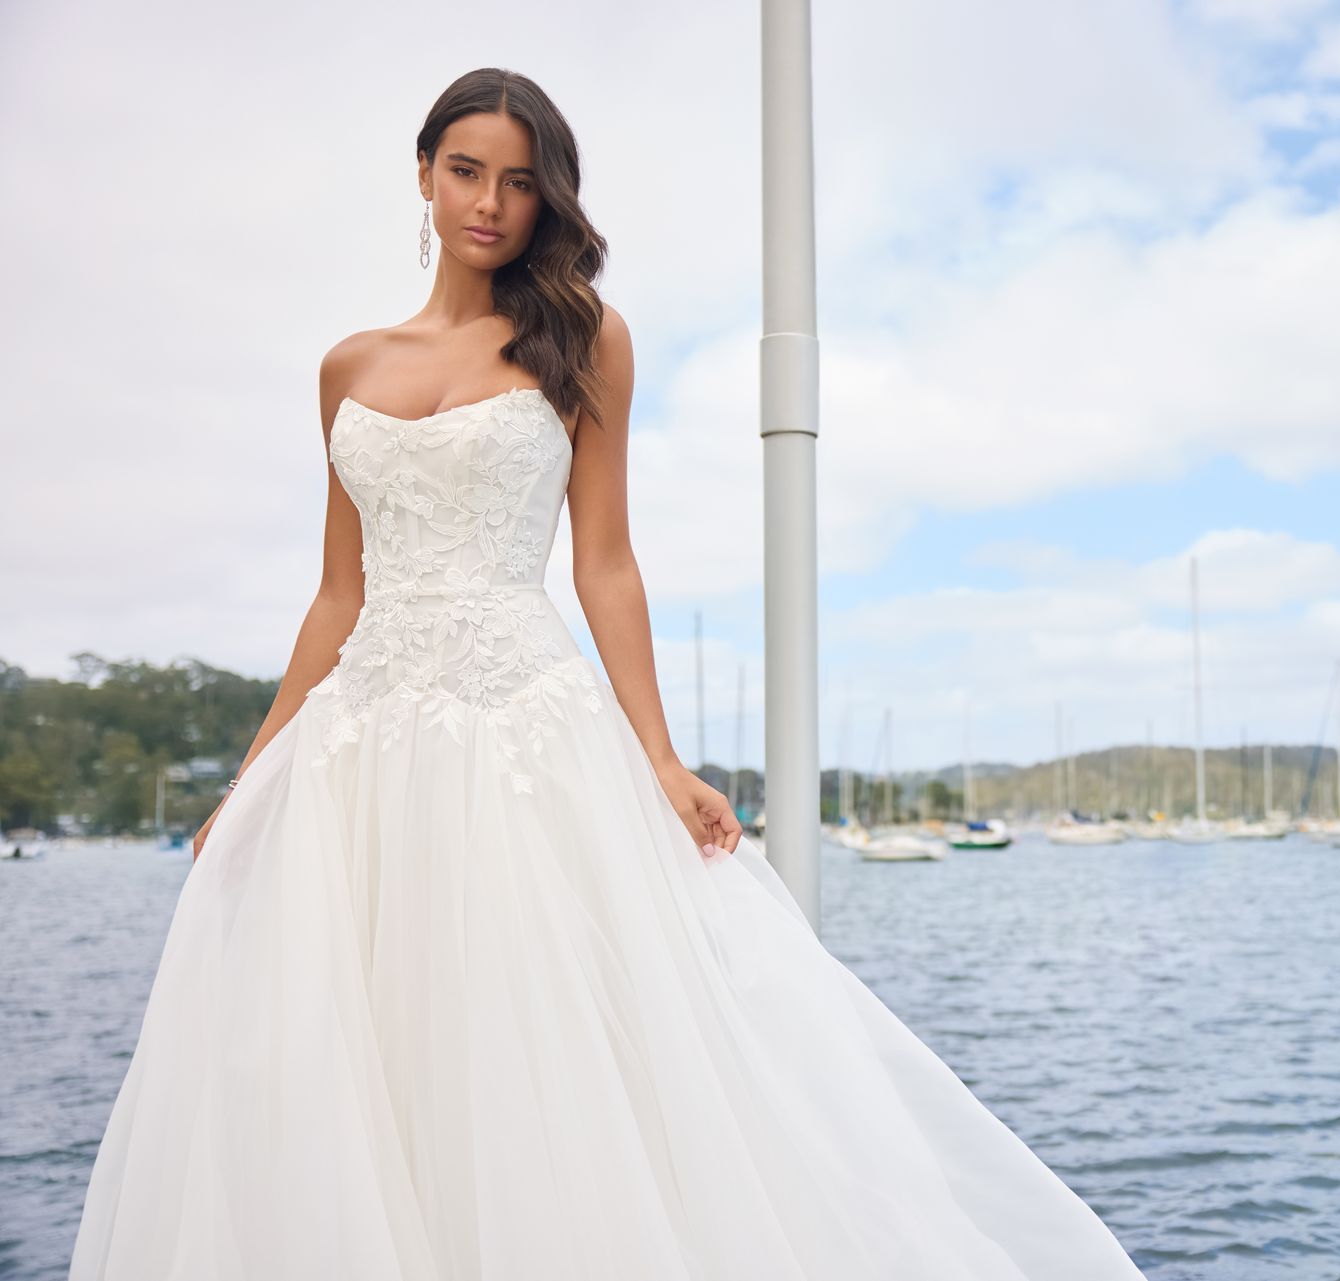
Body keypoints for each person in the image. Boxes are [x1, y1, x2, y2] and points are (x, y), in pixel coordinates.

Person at [65, 68, 1146, 1280]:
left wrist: (662, 758)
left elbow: (606, 565)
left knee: (541, 1056)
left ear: (547, 200)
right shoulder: (345, 369)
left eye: (520, 182)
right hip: (360, 749)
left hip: (522, 732)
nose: (490, 202)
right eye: (467, 171)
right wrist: (252, 774)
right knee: (358, 1064)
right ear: (423, 174)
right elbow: (338, 592)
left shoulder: (579, 336)